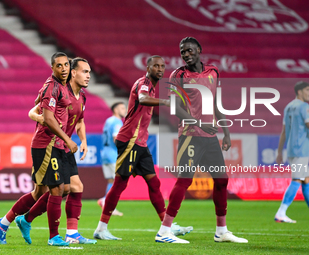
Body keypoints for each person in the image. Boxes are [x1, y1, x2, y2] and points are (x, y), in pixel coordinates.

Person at [155, 37, 248, 244]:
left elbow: (215, 102)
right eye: (182, 52)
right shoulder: (178, 75)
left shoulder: (213, 72)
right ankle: (164, 231)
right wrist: (199, 123)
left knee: (222, 181)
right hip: (190, 136)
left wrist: (226, 131)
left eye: (189, 50)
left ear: (199, 50)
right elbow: (175, 107)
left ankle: (221, 230)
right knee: (185, 180)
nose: (186, 54)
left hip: (210, 137)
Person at [93, 55, 193, 241]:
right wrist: (165, 102)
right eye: (156, 66)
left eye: (162, 66)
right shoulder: (143, 83)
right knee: (120, 184)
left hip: (140, 143)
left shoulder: (153, 87)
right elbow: (143, 98)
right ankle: (101, 228)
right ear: (148, 67)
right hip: (130, 141)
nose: (160, 69)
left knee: (154, 183)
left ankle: (167, 226)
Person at [0, 52, 78, 246]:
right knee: (56, 189)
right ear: (53, 68)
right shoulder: (52, 87)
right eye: (59, 66)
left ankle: (8, 222)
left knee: (44, 191)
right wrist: (67, 139)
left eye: (66, 65)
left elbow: (36, 105)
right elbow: (48, 118)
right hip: (46, 145)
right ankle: (53, 237)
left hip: (56, 144)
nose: (64, 69)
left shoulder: (61, 87)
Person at [15, 57, 96, 244]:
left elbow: (81, 121)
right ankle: (26, 222)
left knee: (73, 188)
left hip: (65, 147)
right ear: (73, 73)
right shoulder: (57, 88)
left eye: (90, 72)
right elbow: (33, 111)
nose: (88, 76)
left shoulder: (82, 96)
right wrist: (42, 119)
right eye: (85, 71)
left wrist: (82, 140)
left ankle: (71, 233)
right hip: (52, 144)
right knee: (52, 190)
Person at [275, 81, 309, 223]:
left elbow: (284, 131)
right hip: (301, 149)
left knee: (306, 181)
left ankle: (282, 212)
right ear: (299, 91)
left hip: (292, 149)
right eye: (307, 90)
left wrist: (279, 151)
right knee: (297, 180)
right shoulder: (304, 107)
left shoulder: (288, 107)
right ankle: (281, 212)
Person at [98, 102, 127, 216]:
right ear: (115, 110)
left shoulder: (108, 121)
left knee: (112, 180)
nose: (124, 110)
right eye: (122, 108)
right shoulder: (116, 122)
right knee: (118, 181)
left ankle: (105, 201)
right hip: (113, 154)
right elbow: (116, 138)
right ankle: (109, 205)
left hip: (105, 153)